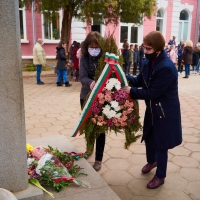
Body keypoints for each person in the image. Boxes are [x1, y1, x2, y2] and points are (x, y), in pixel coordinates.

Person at [122, 31, 182, 189]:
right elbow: (139, 80)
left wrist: (131, 91)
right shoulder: (149, 62)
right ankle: (152, 161)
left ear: (158, 49)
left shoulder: (167, 68)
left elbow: (153, 92)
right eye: (144, 47)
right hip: (152, 109)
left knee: (161, 144)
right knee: (149, 137)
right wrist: (124, 76)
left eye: (148, 49)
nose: (145, 51)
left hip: (164, 112)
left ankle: (160, 175)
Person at [79, 31, 105, 171]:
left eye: (97, 46)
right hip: (86, 96)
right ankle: (89, 149)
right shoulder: (84, 58)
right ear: (87, 46)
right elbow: (82, 76)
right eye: (91, 46)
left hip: (102, 98)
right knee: (88, 125)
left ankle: (98, 159)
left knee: (100, 128)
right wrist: (91, 83)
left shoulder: (105, 59)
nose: (94, 49)